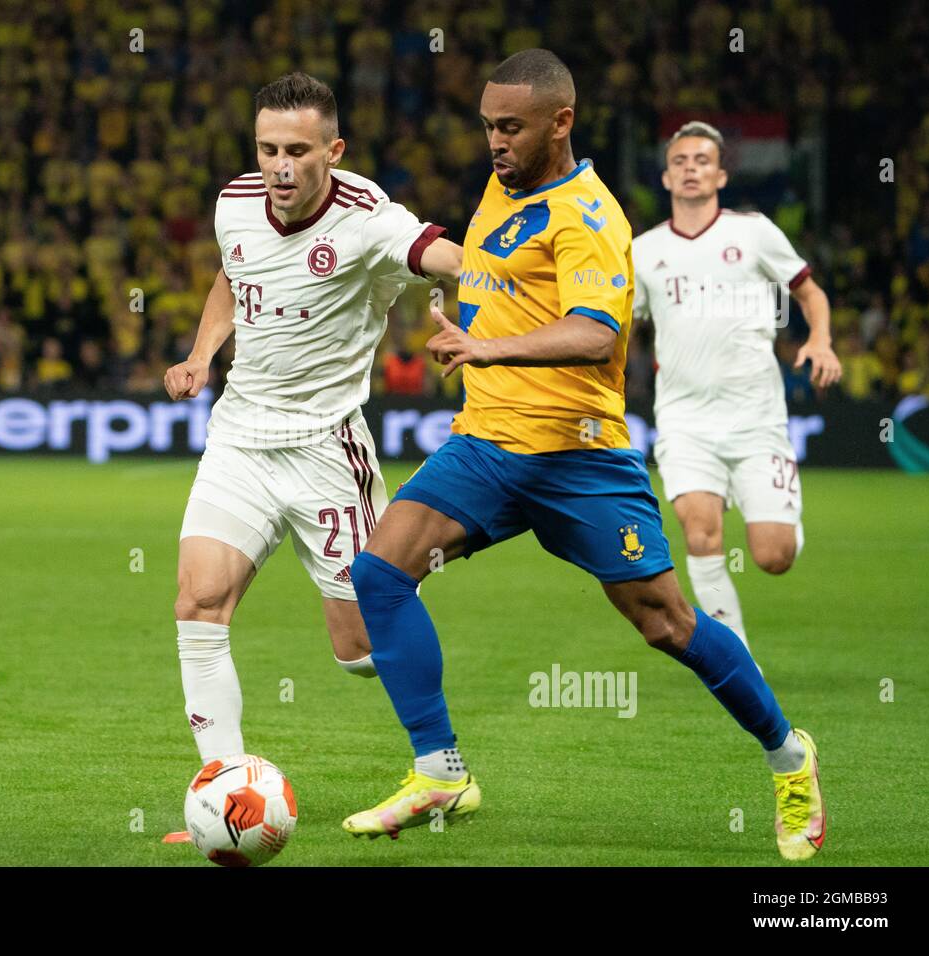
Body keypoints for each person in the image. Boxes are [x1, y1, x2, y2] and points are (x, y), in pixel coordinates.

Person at [342, 50, 826, 862]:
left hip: (581, 457)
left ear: (560, 122)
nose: (494, 142)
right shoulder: (505, 183)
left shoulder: (591, 216)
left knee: (669, 625)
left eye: (511, 128)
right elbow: (500, 276)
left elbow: (597, 330)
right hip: (489, 445)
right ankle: (441, 772)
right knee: (380, 573)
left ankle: (790, 757)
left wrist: (492, 352)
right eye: (488, 126)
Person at [162, 72, 463, 771]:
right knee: (198, 602)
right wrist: (202, 352)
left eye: (297, 150)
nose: (280, 166)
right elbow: (231, 275)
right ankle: (224, 787)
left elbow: (442, 256)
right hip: (239, 437)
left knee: (358, 646)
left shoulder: (369, 218)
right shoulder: (234, 204)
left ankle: (440, 754)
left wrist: (497, 286)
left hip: (326, 448)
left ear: (334, 149)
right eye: (267, 149)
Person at [632, 121, 841, 656]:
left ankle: (782, 518)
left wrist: (820, 340)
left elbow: (809, 291)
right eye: (680, 161)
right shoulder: (642, 251)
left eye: (702, 160)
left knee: (773, 556)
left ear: (721, 173)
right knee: (700, 533)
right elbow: (613, 326)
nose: (691, 168)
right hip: (684, 420)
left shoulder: (754, 233)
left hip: (755, 419)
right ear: (666, 176)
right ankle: (734, 656)